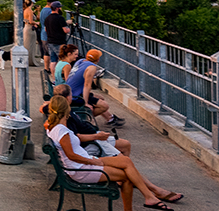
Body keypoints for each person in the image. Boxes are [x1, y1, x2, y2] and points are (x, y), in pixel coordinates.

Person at [40, 85, 183, 204]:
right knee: (124, 164)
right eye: (71, 95)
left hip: (91, 144)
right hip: (89, 149)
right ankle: (153, 191)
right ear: (65, 102)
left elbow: (55, 109)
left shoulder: (64, 116)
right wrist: (96, 140)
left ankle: (148, 193)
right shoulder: (62, 127)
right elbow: (72, 150)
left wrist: (95, 99)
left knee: (125, 148)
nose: (73, 97)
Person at [66, 49, 125, 127]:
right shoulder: (91, 67)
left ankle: (110, 119)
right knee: (104, 106)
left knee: (100, 98)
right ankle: (81, 118)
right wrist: (86, 102)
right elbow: (87, 85)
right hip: (74, 96)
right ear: (98, 59)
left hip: (69, 91)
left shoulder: (81, 61)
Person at [39, 0, 56, 72]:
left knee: (46, 52)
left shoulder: (43, 10)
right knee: (51, 53)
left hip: (43, 33)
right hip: (49, 34)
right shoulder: (50, 11)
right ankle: (51, 68)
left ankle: (46, 68)